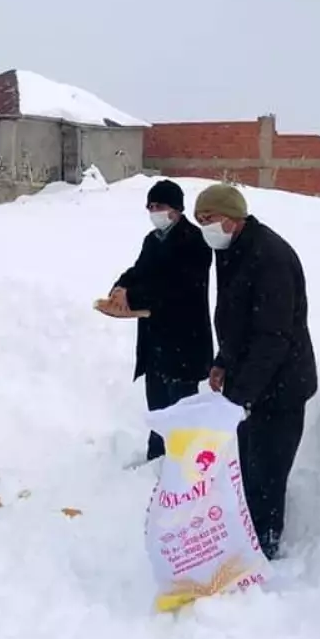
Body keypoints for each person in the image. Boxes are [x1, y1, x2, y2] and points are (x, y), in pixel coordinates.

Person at [192, 183, 317, 560]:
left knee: (268, 473)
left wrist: (240, 395)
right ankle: (247, 533)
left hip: (281, 387)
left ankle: (265, 546)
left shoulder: (270, 257)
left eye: (208, 218)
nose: (204, 227)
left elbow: (272, 338)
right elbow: (239, 321)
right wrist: (222, 361)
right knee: (247, 467)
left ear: (232, 217)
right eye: (199, 221)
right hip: (253, 383)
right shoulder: (233, 250)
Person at [108, 179, 213, 464]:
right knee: (157, 410)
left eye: (161, 206)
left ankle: (182, 472)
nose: (155, 211)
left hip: (184, 342)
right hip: (155, 343)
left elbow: (176, 287)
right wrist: (120, 287)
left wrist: (135, 295)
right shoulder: (152, 240)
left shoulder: (195, 241)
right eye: (151, 206)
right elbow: (140, 271)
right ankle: (155, 462)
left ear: (177, 209)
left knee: (180, 414)